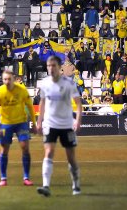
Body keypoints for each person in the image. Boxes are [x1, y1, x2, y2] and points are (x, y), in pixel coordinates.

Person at [36, 56, 83, 197]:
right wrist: (39, 122)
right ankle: (46, 186)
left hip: (67, 125)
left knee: (71, 158)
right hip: (50, 124)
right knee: (48, 153)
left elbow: (79, 104)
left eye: (53, 65)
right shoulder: (44, 83)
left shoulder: (69, 83)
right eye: (48, 65)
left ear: (59, 67)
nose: (51, 68)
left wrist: (78, 121)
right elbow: (42, 103)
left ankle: (76, 184)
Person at [0, 70, 36, 187]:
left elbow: (30, 107)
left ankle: (26, 177)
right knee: (4, 149)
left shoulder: (22, 90)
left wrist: (34, 124)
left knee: (25, 147)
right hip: (6, 124)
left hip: (21, 122)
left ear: (14, 79)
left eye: (9, 79)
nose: (7, 81)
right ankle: (3, 178)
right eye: (5, 79)